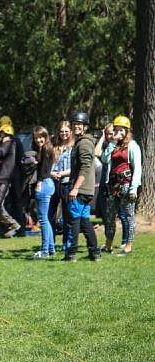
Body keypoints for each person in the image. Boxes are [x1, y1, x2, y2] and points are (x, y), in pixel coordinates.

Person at [101, 115, 142, 256]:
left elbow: (137, 169)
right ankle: (108, 245)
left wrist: (133, 189)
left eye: (121, 131)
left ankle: (128, 246)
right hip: (113, 185)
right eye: (116, 130)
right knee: (110, 216)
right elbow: (104, 159)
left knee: (129, 216)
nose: (118, 133)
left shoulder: (132, 146)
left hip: (126, 184)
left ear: (127, 131)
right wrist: (112, 142)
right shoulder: (114, 146)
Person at [63, 109, 101, 262]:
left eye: (79, 124)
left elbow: (85, 167)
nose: (76, 126)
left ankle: (71, 254)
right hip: (86, 190)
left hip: (81, 189)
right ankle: (94, 252)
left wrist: (75, 188)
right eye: (74, 124)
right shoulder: (83, 141)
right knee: (85, 222)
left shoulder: (84, 143)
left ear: (85, 126)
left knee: (74, 221)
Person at [48, 119, 73, 249]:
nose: (64, 134)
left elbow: (75, 167)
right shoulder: (54, 146)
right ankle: (51, 242)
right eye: (61, 131)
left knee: (67, 215)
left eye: (66, 131)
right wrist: (52, 173)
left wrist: (62, 174)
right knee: (51, 214)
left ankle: (66, 243)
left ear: (71, 132)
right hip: (53, 182)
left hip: (67, 183)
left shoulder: (74, 146)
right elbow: (49, 164)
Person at [32, 126, 56, 259]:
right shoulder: (44, 149)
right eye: (36, 138)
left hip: (44, 184)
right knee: (45, 219)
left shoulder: (46, 149)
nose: (38, 140)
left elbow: (45, 170)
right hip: (48, 183)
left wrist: (39, 182)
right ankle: (51, 249)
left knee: (43, 220)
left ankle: (45, 250)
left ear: (45, 137)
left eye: (41, 137)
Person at [94, 122, 114, 222]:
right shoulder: (105, 145)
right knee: (103, 205)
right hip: (104, 181)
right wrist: (102, 137)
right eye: (108, 133)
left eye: (112, 133)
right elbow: (96, 153)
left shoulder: (120, 145)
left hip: (115, 181)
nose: (111, 136)